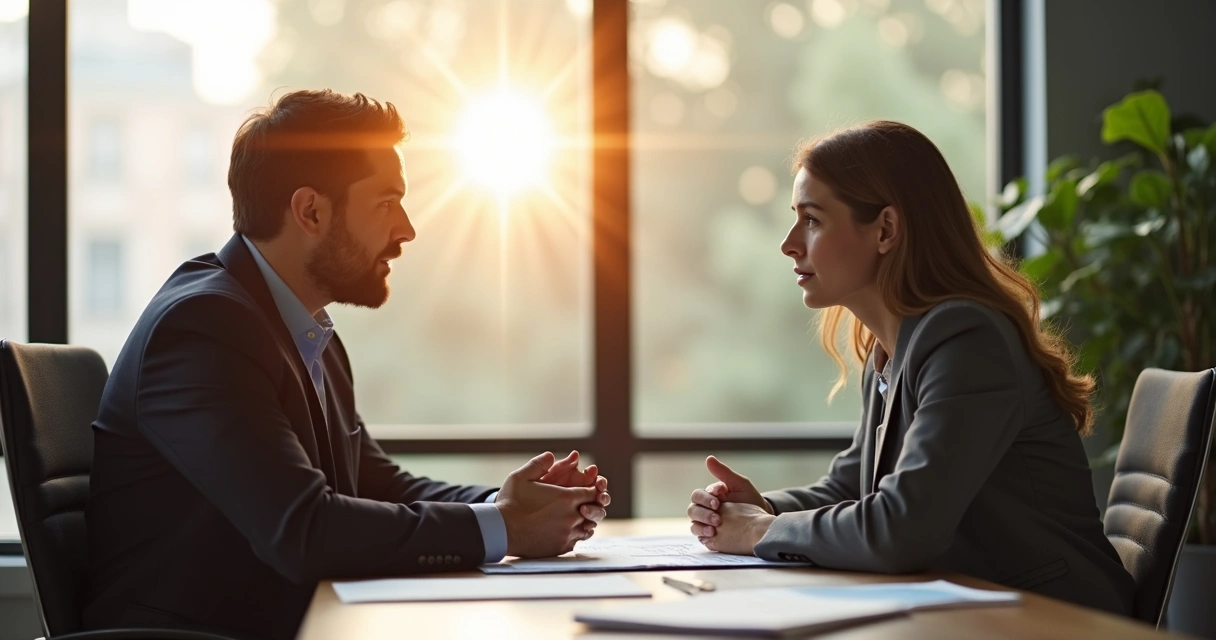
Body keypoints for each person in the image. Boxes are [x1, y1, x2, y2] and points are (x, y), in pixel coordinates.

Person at [83, 89, 609, 640]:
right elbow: (305, 530)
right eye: (386, 203)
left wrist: (512, 503)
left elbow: (375, 483)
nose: (406, 230)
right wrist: (506, 526)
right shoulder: (202, 327)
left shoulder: (304, 332)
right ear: (311, 210)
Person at [685, 121, 1135, 615]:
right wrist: (764, 508)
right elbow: (849, 488)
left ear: (886, 230)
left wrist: (756, 530)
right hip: (979, 611)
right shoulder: (892, 347)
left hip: (1055, 619)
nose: (789, 243)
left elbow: (902, 529)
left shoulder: (966, 339)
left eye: (812, 220)